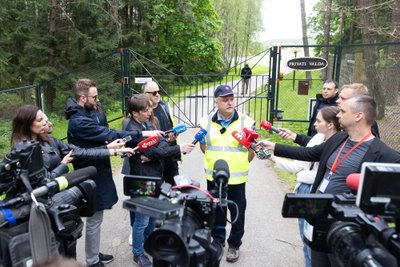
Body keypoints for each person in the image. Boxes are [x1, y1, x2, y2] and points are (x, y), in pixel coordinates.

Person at [259, 95, 400, 266]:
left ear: (359, 116)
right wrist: (274, 147)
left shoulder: (387, 156)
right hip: (320, 218)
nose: (338, 115)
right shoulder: (339, 138)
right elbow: (309, 153)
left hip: (347, 230)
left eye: (342, 111)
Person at [10, 105, 134, 258]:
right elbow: (40, 183)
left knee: (69, 244)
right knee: (56, 251)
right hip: (42, 208)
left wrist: (111, 150)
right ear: (27, 124)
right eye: (40, 120)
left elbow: (78, 151)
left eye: (45, 118)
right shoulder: (22, 152)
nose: (45, 123)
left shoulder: (49, 140)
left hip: (60, 202)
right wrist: (62, 166)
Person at [64, 79, 162, 267]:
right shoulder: (78, 121)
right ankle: (92, 260)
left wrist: (106, 146)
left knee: (98, 216)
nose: (98, 100)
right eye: (94, 97)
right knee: (94, 217)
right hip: (89, 173)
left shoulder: (93, 111)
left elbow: (100, 136)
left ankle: (94, 254)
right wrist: (142, 136)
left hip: (99, 167)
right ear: (82, 97)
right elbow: (105, 134)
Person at [122, 95, 195, 267]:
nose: (149, 112)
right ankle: (138, 254)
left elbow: (159, 146)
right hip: (141, 180)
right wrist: (178, 148)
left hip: (154, 177)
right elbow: (154, 152)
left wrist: (165, 145)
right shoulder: (133, 130)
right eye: (145, 110)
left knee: (152, 217)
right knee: (142, 220)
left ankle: (148, 244)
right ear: (134, 113)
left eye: (149, 109)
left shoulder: (147, 124)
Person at [266, 106, 340, 267]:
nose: (314, 124)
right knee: (305, 239)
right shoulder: (317, 139)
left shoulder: (338, 146)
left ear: (330, 125)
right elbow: (298, 165)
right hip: (303, 191)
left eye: (318, 121)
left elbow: (324, 175)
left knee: (313, 243)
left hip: (317, 195)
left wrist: (302, 175)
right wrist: (270, 157)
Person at [199, 84, 255, 263]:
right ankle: (218, 240)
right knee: (217, 210)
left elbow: (252, 151)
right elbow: (204, 147)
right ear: (216, 102)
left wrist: (241, 163)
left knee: (237, 211)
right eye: (225, 99)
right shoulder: (205, 121)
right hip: (214, 177)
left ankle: (234, 244)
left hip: (237, 178)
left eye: (231, 99)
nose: (230, 102)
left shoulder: (246, 122)